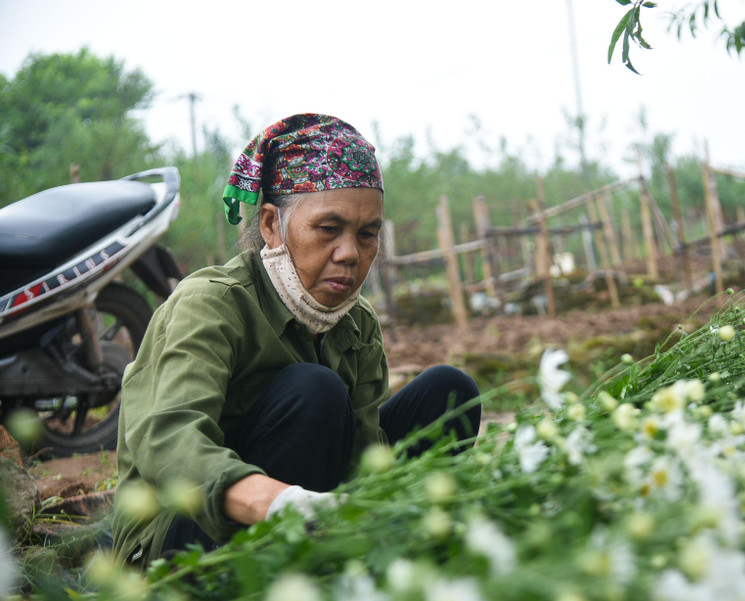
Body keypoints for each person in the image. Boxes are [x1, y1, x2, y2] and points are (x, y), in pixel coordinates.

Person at [111, 114, 481, 568]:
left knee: (449, 393)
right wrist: (273, 501)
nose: (350, 253)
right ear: (271, 225)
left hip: (308, 516)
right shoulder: (211, 304)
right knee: (315, 390)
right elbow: (167, 439)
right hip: (184, 540)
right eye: (329, 229)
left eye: (367, 235)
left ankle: (383, 558)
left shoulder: (356, 323)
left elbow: (364, 453)